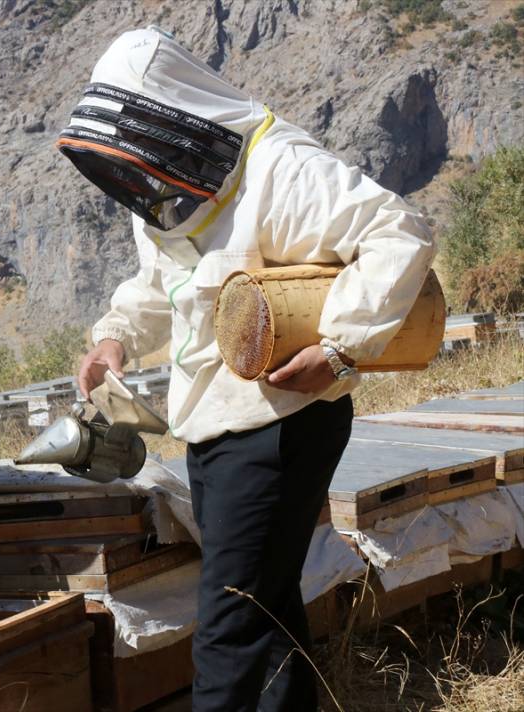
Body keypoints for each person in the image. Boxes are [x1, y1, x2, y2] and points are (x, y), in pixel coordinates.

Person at [64, 27, 434, 711]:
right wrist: (114, 336)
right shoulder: (170, 191)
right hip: (213, 424)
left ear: (177, 121)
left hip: (283, 424)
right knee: (264, 603)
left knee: (230, 621)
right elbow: (159, 281)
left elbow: (398, 232)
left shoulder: (283, 172)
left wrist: (340, 349)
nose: (145, 172)